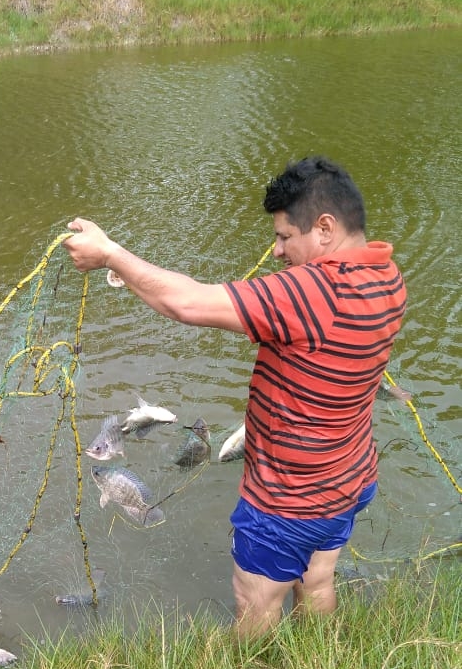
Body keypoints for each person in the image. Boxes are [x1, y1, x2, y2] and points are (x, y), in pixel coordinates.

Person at [62, 156, 406, 638]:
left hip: (290, 495)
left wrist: (110, 255)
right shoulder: (387, 276)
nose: (277, 251)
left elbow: (186, 303)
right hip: (348, 476)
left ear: (324, 228)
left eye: (285, 236)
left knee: (254, 599)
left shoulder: (314, 291)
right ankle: (319, 667)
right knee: (317, 577)